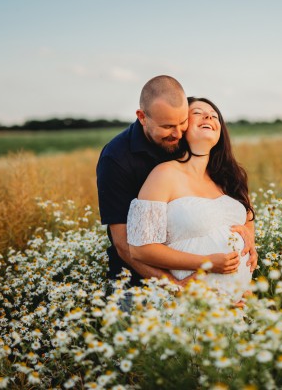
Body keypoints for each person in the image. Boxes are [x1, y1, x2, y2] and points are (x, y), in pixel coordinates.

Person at [96, 75, 257, 289]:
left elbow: (242, 213)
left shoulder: (222, 170)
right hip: (142, 284)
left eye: (183, 123)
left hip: (231, 299)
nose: (178, 133)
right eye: (168, 126)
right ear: (142, 117)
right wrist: (177, 288)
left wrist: (248, 240)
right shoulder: (119, 159)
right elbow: (128, 246)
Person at [126, 97, 255, 301]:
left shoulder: (231, 177)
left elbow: (247, 224)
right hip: (190, 304)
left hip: (238, 306)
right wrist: (207, 263)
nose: (208, 116)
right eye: (198, 113)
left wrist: (248, 243)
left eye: (214, 115)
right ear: (182, 126)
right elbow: (140, 249)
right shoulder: (163, 175)